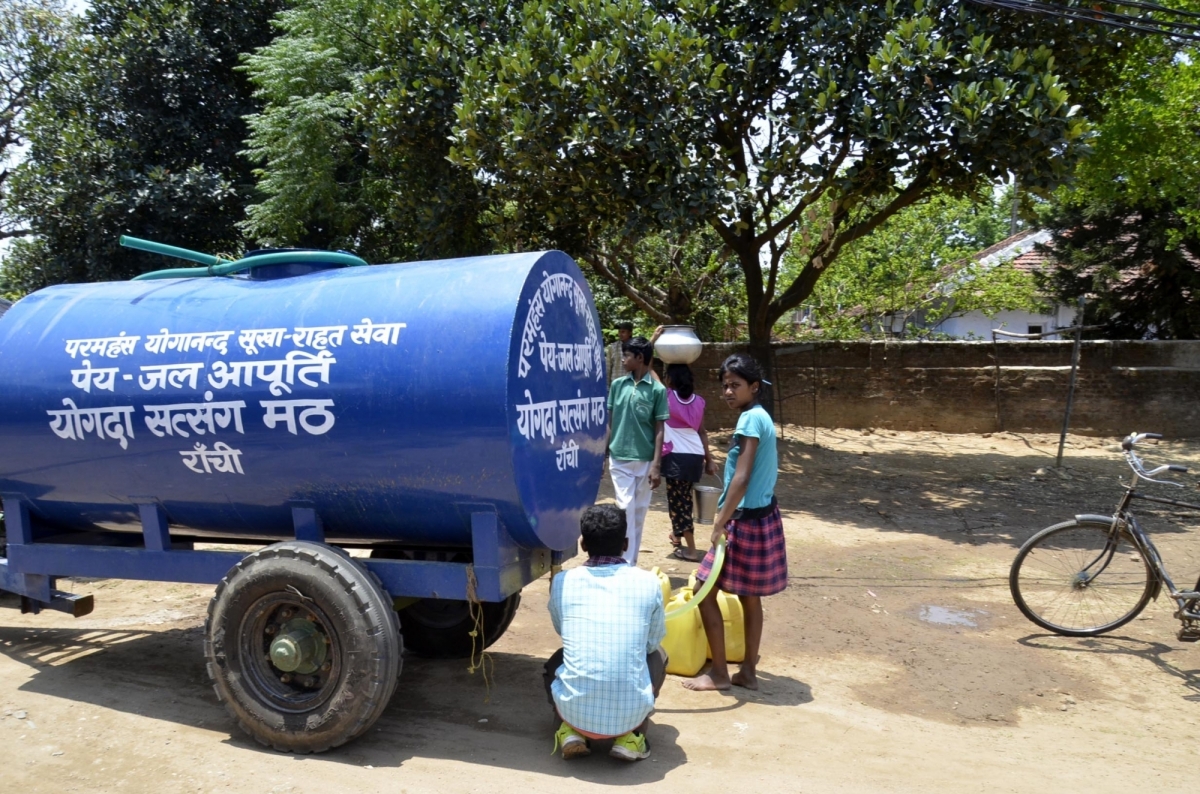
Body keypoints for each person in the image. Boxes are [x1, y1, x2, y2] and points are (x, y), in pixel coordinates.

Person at [682, 353, 786, 692]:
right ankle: (749, 672)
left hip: (741, 521)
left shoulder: (749, 422)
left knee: (702, 589)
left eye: (735, 386)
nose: (728, 392)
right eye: (725, 386)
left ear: (754, 387)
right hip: (763, 516)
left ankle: (720, 674)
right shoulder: (762, 417)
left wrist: (718, 523)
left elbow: (741, 479)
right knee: (749, 596)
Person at [545, 505, 667, 761]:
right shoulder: (648, 583)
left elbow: (562, 630)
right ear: (625, 543)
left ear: (583, 544)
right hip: (629, 711)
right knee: (658, 656)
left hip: (574, 709)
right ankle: (631, 737)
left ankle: (570, 730)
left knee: (558, 659)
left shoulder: (562, 582)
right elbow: (652, 643)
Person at [605, 335, 669, 565]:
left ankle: (630, 563)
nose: (622, 360)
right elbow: (610, 422)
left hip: (645, 460)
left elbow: (660, 428)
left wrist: (656, 464)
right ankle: (624, 562)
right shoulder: (617, 386)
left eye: (627, 356)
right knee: (625, 509)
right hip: (619, 458)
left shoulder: (657, 390)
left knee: (639, 512)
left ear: (640, 358)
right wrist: (604, 455)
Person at [657, 355, 718, 562]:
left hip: (676, 457)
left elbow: (648, 371)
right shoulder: (699, 401)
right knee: (682, 499)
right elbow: (702, 432)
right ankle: (677, 536)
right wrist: (709, 460)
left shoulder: (666, 396)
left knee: (679, 503)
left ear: (670, 380)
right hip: (694, 456)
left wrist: (651, 346)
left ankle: (691, 550)